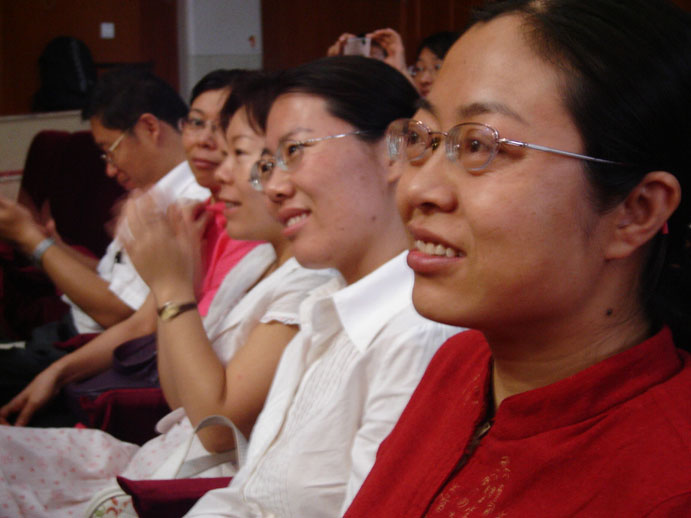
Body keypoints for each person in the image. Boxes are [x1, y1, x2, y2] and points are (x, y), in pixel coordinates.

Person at [344, 0, 691, 516]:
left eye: (479, 146)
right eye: (421, 138)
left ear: (635, 212)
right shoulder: (462, 362)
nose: (417, 188)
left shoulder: (668, 487)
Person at [0, 72, 335, 518]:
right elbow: (180, 396)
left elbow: (216, 427)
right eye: (197, 124)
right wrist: (170, 291)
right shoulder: (256, 263)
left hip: (195, 477)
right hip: (165, 453)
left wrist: (172, 289)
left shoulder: (307, 281)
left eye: (238, 153)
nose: (219, 170)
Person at [185, 56, 461, 518]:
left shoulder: (418, 334)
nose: (274, 187)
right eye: (269, 164)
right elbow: (249, 494)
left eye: (295, 151)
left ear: (396, 150)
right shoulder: (323, 305)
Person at [0, 69, 257, 428]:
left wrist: (33, 241)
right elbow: (139, 305)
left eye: (227, 129)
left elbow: (213, 425)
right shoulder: (186, 206)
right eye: (196, 123)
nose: (205, 140)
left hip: (117, 357)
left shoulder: (204, 215)